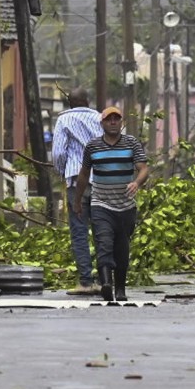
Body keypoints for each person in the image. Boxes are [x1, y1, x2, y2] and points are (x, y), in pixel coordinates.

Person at [73, 107, 149, 302]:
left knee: (122, 247)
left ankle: (120, 289)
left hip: (126, 206)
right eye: (109, 119)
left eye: (116, 119)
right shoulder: (93, 146)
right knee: (103, 243)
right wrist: (78, 200)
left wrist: (136, 182)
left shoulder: (131, 143)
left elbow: (143, 169)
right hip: (101, 204)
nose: (113, 122)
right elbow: (83, 174)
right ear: (102, 124)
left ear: (121, 122)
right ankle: (106, 284)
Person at [50, 87, 103, 295]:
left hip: (76, 183)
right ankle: (104, 279)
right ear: (87, 101)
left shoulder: (64, 120)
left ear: (69, 103)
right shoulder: (101, 119)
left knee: (79, 231)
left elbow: (58, 153)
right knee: (102, 231)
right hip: (102, 181)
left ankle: (86, 281)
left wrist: (62, 171)